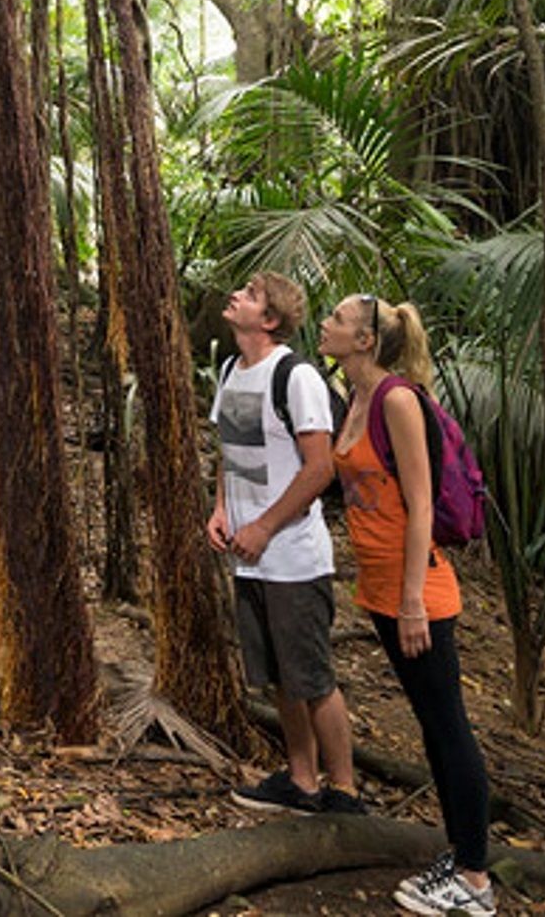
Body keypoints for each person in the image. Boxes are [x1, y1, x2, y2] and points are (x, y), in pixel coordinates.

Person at [317, 291, 496, 914]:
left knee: (449, 727)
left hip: (418, 590)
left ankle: (475, 880)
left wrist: (415, 599)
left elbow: (421, 503)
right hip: (383, 586)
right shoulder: (357, 398)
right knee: (430, 723)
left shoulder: (395, 399)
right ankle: (459, 853)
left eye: (337, 319)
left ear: (365, 340)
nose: (326, 324)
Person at [208, 270, 365, 817]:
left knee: (312, 675)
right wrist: (223, 509)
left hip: (293, 556)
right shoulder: (229, 369)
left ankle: (343, 792)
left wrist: (264, 527)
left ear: (269, 320)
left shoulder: (294, 376)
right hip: (248, 558)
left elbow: (319, 469)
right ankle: (301, 780)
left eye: (249, 294)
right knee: (277, 674)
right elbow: (231, 453)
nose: (236, 295)